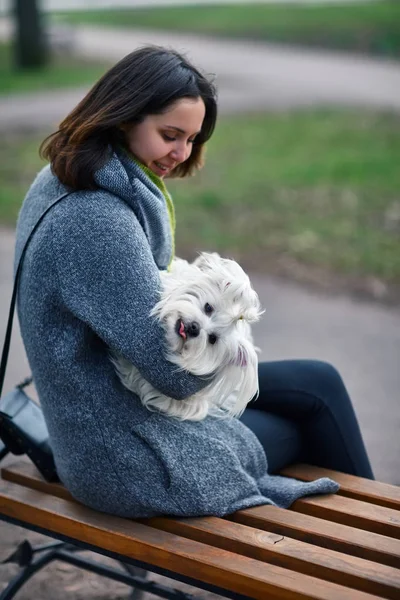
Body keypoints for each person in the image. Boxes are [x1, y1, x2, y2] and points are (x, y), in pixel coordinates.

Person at [14, 46, 372, 520]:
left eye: (191, 139)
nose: (181, 154)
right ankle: (372, 547)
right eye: (170, 135)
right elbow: (175, 376)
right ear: (123, 117)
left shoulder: (66, 174)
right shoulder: (96, 220)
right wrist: (229, 332)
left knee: (317, 382)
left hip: (107, 419)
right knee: (309, 419)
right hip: (124, 456)